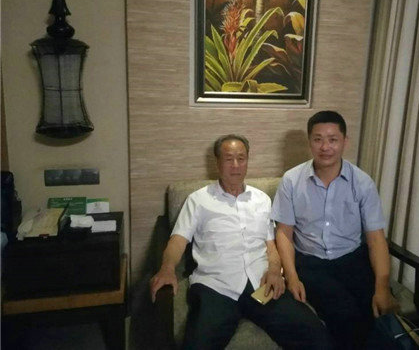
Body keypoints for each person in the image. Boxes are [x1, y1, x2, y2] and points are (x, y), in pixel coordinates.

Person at [150, 134, 331, 350]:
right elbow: (178, 240)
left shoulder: (262, 199)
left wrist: (275, 271)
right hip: (216, 286)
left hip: (261, 283)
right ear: (217, 162)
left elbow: (271, 245)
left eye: (241, 158)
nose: (236, 165)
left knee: (315, 333)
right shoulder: (198, 200)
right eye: (229, 159)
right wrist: (167, 268)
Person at [272, 111, 397, 349]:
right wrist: (292, 277)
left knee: (377, 307)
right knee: (344, 313)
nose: (325, 147)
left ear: (344, 142)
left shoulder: (362, 182)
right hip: (311, 262)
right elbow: (284, 233)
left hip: (352, 258)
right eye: (318, 139)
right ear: (309, 142)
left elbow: (376, 239)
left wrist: (382, 286)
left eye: (332, 139)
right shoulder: (291, 180)